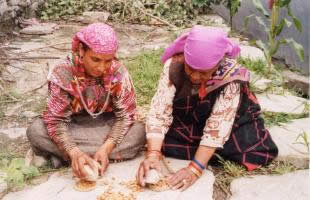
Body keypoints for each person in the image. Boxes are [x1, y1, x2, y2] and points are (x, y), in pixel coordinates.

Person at [136, 26, 278, 191]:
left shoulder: (231, 77)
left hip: (230, 122)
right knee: (156, 139)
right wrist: (153, 153)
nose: (195, 77)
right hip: (190, 116)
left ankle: (203, 154)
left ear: (218, 63)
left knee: (247, 146)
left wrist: (194, 169)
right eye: (191, 69)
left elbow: (217, 126)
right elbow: (160, 112)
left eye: (204, 72)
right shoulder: (174, 66)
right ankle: (204, 152)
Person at [26, 23, 145, 178]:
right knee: (36, 130)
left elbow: (126, 116)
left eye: (108, 61)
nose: (101, 68)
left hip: (105, 126)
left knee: (139, 131)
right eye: (95, 59)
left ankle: (66, 157)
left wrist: (106, 149)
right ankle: (77, 157)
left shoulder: (118, 72)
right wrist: (74, 151)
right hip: (72, 126)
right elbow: (55, 120)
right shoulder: (62, 72)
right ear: (81, 50)